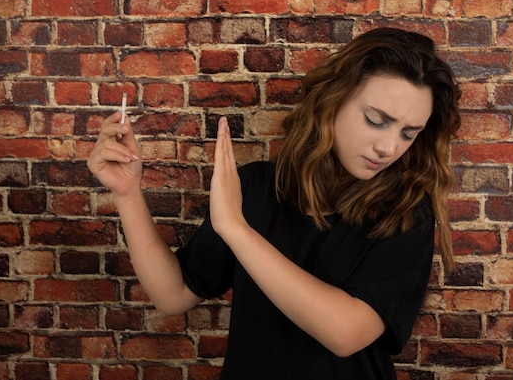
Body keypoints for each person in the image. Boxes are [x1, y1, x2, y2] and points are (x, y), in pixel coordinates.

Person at [87, 27, 461, 379]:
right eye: (376, 120)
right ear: (333, 100)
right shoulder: (256, 188)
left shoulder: (407, 214)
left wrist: (236, 230)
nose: (389, 147)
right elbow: (172, 295)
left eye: (408, 133)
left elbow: (346, 333)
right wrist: (128, 193)